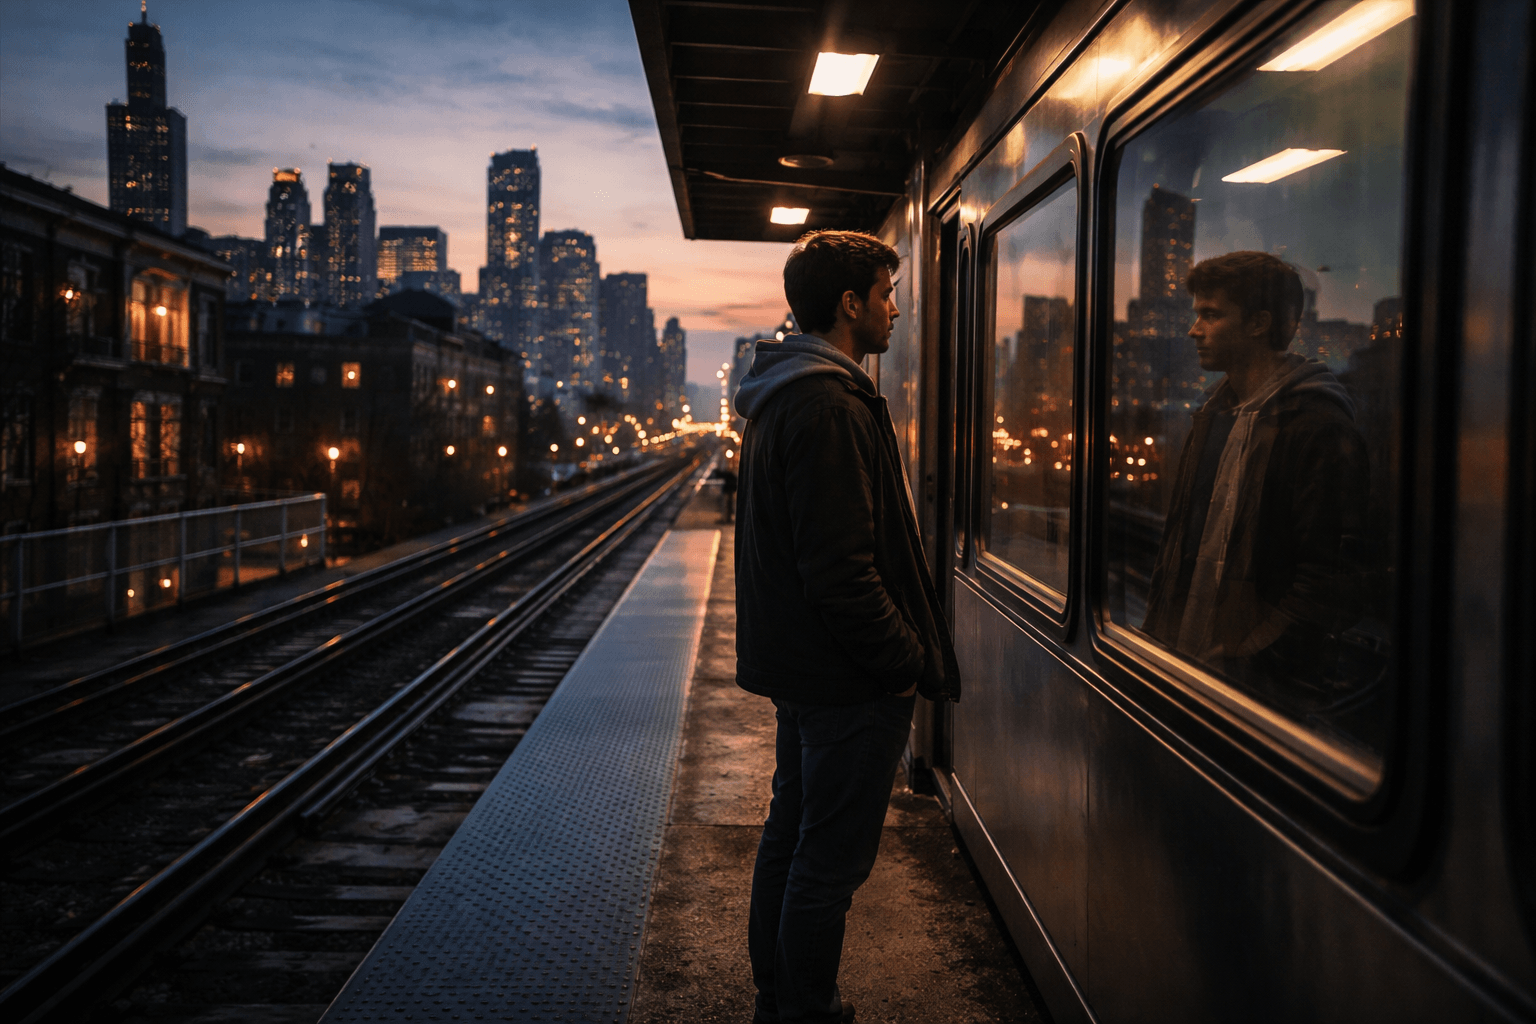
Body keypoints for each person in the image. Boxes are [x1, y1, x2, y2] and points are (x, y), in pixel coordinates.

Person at [732, 230, 960, 1024]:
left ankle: (779, 997)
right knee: (826, 865)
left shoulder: (786, 391)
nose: (897, 310)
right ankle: (804, 1010)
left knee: (790, 836)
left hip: (803, 668)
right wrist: (901, 661)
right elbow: (841, 569)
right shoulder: (829, 402)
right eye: (887, 293)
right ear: (850, 305)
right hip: (842, 677)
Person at [1143, 251, 1369, 704]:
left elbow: (1329, 579)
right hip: (1186, 669)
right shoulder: (1212, 417)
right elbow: (1181, 546)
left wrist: (1245, 663)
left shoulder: (1316, 425)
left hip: (1255, 696)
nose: (1194, 329)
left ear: (1258, 323)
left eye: (1211, 315)